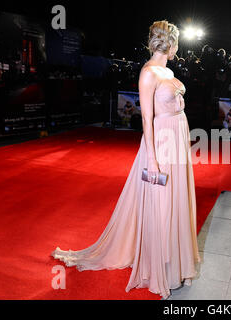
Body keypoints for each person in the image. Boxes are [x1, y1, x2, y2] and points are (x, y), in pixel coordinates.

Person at [51, 20, 201, 300]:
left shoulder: (167, 69)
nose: (178, 48)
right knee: (161, 207)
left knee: (175, 203)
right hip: (161, 145)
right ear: (169, 43)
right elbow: (146, 119)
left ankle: (175, 265)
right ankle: (160, 270)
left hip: (177, 142)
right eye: (177, 42)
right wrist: (153, 161)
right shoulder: (148, 73)